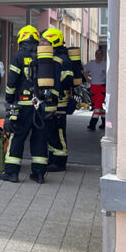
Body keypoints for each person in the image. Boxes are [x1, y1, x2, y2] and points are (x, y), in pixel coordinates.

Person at [1, 25, 52, 184]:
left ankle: (11, 173)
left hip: (23, 105)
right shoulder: (43, 56)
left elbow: (12, 81)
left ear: (22, 39)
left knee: (17, 136)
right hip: (41, 105)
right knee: (39, 139)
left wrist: (9, 99)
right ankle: (38, 174)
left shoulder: (18, 56)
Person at [42, 28, 75, 171]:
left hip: (59, 102)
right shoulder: (60, 57)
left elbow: (63, 81)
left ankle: (60, 161)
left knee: (58, 131)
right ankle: (54, 158)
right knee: (52, 131)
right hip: (57, 101)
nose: (42, 43)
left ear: (53, 42)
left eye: (45, 41)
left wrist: (52, 96)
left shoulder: (60, 59)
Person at [84, 48, 107, 130]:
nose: (98, 55)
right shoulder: (91, 63)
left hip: (102, 87)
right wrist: (87, 78)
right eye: (96, 54)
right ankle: (104, 123)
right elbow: (84, 70)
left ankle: (92, 124)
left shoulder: (105, 64)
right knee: (99, 106)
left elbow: (110, 73)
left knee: (97, 106)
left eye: (100, 54)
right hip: (93, 87)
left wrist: (106, 78)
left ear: (103, 55)